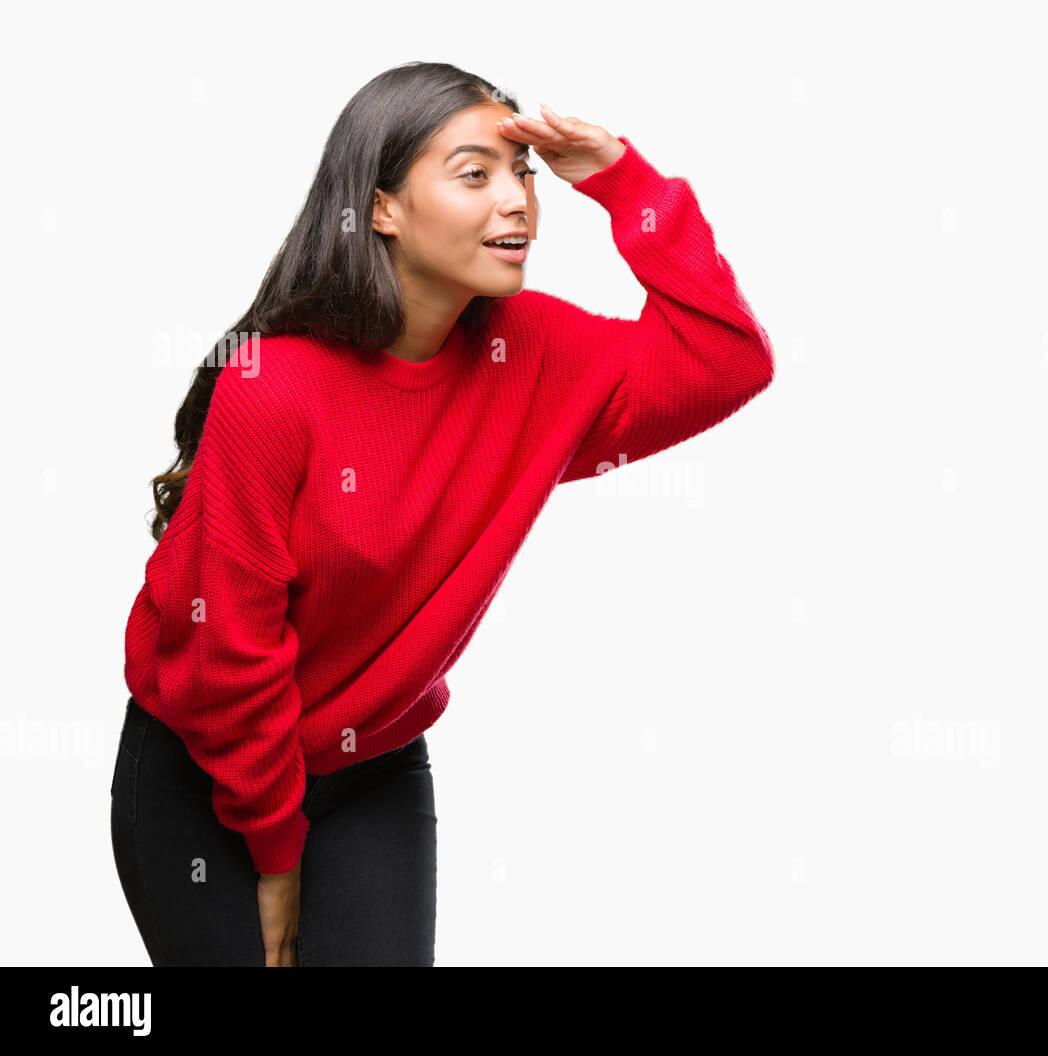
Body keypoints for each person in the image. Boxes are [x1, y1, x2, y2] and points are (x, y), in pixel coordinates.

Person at [112, 60, 775, 966]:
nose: (517, 204)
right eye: (475, 175)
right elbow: (229, 646)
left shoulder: (535, 354)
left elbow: (726, 361)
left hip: (371, 768)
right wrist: (276, 853)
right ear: (381, 207)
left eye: (523, 175)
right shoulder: (276, 388)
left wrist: (625, 182)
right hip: (212, 765)